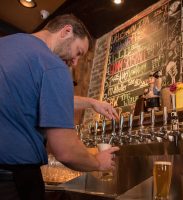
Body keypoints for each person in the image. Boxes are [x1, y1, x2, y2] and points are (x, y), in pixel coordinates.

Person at [0, 14, 119, 200]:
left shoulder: (8, 44)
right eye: (78, 52)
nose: (75, 62)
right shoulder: (52, 64)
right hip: (11, 181)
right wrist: (98, 162)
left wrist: (92, 103)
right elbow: (66, 151)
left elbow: (39, 97)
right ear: (66, 31)